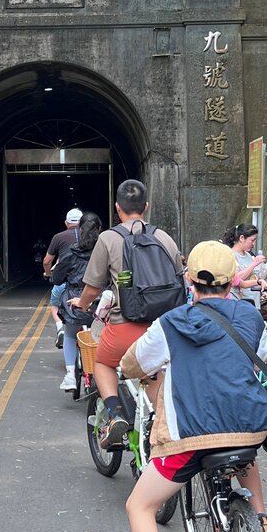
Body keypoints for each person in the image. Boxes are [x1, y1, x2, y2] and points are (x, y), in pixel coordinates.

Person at [121, 241, 267, 532]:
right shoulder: (250, 317)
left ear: (189, 279)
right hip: (248, 429)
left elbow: (132, 364)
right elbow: (256, 357)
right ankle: (262, 525)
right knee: (244, 454)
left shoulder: (173, 323)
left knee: (139, 506)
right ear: (233, 281)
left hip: (192, 436)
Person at [69, 179, 184, 449]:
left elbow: (93, 286)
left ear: (117, 208)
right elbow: (180, 277)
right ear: (146, 206)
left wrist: (82, 305)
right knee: (155, 372)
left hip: (125, 327)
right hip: (163, 329)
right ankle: (159, 427)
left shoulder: (109, 238)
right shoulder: (164, 237)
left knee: (102, 363)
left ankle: (116, 414)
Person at [52, 212, 101, 392]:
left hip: (75, 300)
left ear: (80, 230)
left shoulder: (71, 252)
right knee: (103, 337)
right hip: (99, 301)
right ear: (99, 230)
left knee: (71, 335)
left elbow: (56, 278)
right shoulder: (105, 251)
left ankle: (70, 375)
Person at [43, 208, 83, 348]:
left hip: (65, 282)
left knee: (55, 306)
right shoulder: (93, 237)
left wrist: (48, 274)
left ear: (66, 223)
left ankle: (60, 328)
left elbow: (47, 261)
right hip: (88, 284)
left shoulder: (59, 237)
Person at [223, 224, 267, 307]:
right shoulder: (230, 255)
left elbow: (253, 277)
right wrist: (254, 264)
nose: (254, 244)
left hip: (254, 303)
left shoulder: (249, 255)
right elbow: (236, 279)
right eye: (252, 240)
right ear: (242, 238)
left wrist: (264, 274)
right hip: (240, 304)